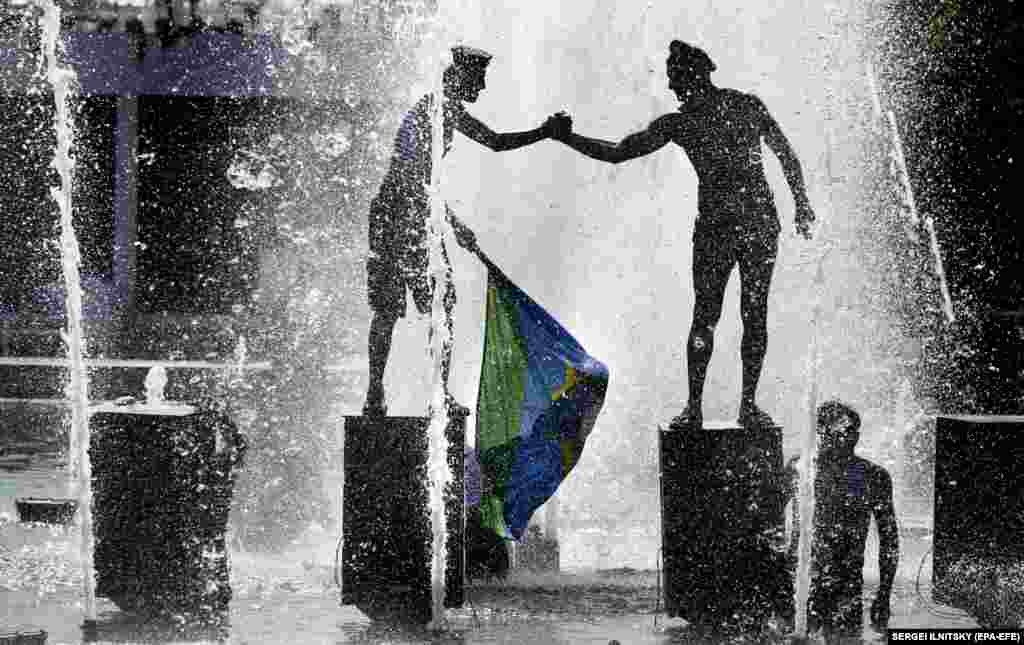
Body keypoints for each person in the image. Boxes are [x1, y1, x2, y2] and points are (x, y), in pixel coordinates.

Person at [551, 40, 815, 429]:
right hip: (753, 224)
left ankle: (707, 407)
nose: (672, 88)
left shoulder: (687, 122)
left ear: (692, 76)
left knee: (712, 316)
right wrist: (801, 201)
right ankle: (731, 406)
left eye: (675, 79)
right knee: (747, 315)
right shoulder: (738, 107)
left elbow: (618, 152)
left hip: (724, 228)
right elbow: (786, 154)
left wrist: (565, 137)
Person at [363, 45, 570, 417]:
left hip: (407, 214)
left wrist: (545, 132)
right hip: (397, 214)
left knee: (428, 305)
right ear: (460, 76)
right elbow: (410, 179)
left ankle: (418, 394)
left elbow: (494, 142)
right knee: (406, 307)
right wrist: (454, 224)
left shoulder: (449, 111)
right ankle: (389, 393)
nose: (484, 86)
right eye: (480, 78)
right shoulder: (427, 112)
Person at [786, 400, 899, 644]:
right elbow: (771, 515)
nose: (846, 439)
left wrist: (884, 594)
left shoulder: (873, 476)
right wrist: (779, 576)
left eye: (851, 432)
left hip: (847, 589)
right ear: (820, 432)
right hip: (801, 587)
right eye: (838, 432)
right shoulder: (800, 468)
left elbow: (889, 540)